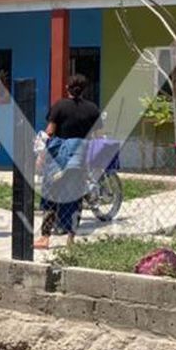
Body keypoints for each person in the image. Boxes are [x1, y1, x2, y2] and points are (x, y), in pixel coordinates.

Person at [36, 74, 102, 250]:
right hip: (79, 161)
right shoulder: (92, 109)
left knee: (51, 196)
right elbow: (98, 137)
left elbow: (50, 132)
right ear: (84, 89)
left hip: (58, 161)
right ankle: (71, 239)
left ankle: (45, 238)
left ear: (67, 88)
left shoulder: (59, 106)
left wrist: (41, 155)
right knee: (75, 198)